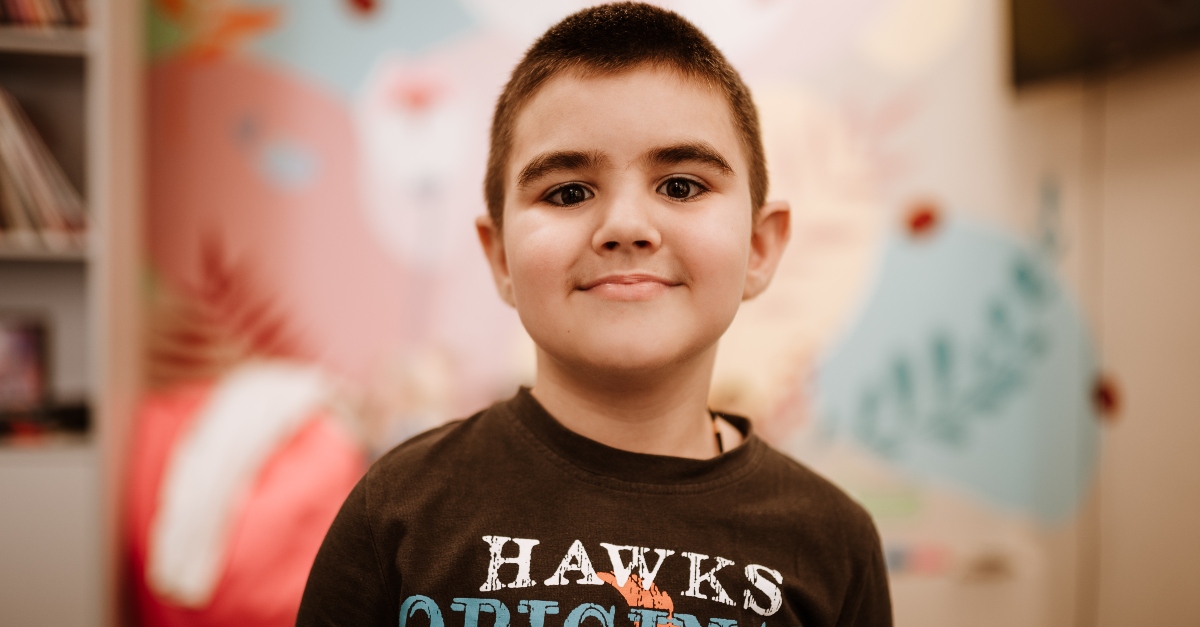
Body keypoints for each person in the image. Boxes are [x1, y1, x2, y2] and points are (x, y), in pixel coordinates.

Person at [297, 3, 892, 626]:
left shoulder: (833, 540)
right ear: (501, 257)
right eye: (568, 192)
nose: (626, 227)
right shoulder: (398, 506)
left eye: (681, 186)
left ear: (760, 248)